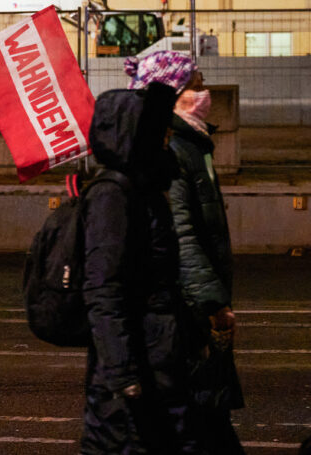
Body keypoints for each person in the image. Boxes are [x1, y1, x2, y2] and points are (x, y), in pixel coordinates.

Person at [80, 52, 201, 453]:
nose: (166, 135)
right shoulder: (113, 194)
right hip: (130, 378)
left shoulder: (147, 184)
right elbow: (103, 291)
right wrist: (123, 376)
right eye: (157, 130)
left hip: (159, 361)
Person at [161, 60, 245, 453]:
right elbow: (183, 233)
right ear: (175, 95)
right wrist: (213, 301)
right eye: (196, 84)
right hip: (192, 306)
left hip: (197, 300)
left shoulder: (196, 143)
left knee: (207, 413)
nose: (205, 91)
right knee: (201, 411)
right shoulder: (178, 149)